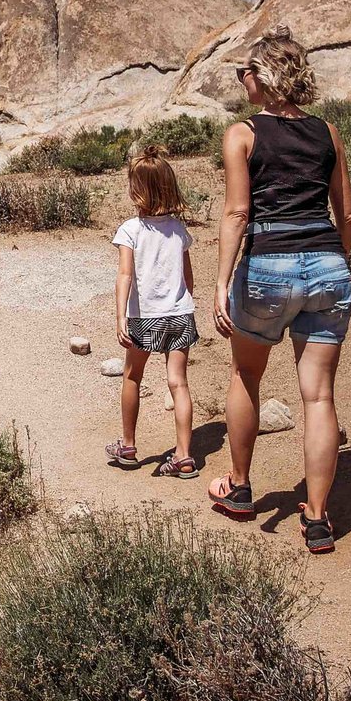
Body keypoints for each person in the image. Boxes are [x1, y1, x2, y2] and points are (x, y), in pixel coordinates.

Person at [208, 29, 351, 553]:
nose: (241, 80)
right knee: (318, 395)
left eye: (244, 71)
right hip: (327, 268)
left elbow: (237, 212)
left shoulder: (242, 135)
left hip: (267, 265)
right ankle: (317, 517)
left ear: (265, 76)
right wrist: (332, 258)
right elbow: (348, 214)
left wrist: (222, 282)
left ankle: (242, 488)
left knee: (247, 374)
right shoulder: (327, 133)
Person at [105, 145, 200, 477]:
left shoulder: (131, 230)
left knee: (133, 376)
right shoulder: (178, 230)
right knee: (179, 383)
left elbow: (125, 276)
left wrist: (120, 318)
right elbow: (189, 279)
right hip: (180, 313)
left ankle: (128, 446)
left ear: (137, 190)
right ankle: (185, 456)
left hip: (145, 317)